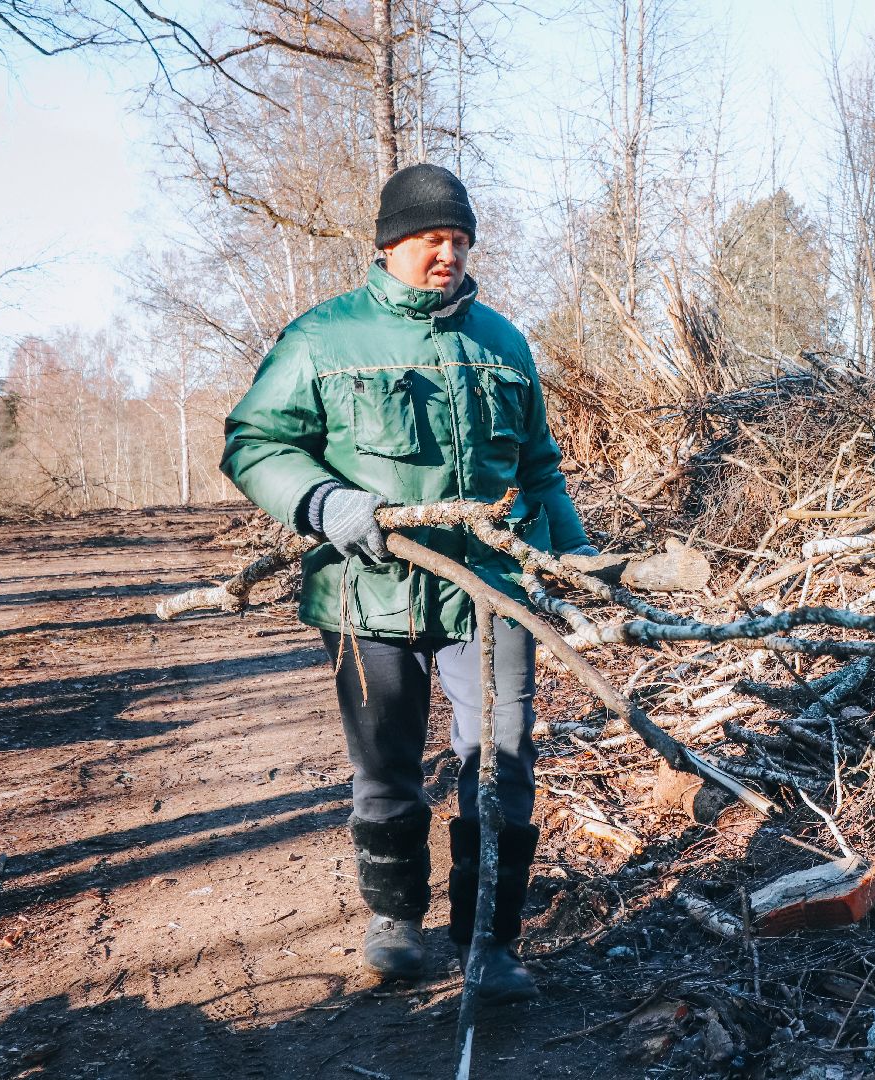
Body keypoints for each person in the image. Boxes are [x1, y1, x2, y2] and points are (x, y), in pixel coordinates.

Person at [220, 163, 594, 1002]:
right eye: (432, 238)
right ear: (388, 243)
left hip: (490, 592)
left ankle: (490, 945)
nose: (448, 254)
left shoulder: (501, 341)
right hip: (366, 594)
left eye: (460, 240)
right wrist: (323, 503)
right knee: (385, 768)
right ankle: (394, 921)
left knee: (499, 764)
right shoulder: (322, 338)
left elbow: (539, 467)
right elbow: (253, 443)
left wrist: (572, 564)